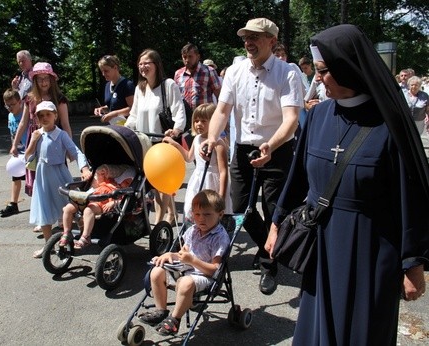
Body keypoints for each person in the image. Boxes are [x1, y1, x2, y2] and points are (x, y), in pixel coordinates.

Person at [264, 24, 429, 345]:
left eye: (325, 71)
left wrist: (413, 263)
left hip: (371, 248)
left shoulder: (389, 124)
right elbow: (297, 176)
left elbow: (410, 196)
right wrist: (275, 223)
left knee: (361, 332)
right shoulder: (317, 116)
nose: (318, 79)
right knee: (318, 330)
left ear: (348, 68)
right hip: (320, 245)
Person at [200, 18, 303, 295]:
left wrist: (270, 145)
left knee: (273, 211)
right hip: (244, 150)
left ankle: (269, 263)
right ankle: (266, 248)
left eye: (255, 37)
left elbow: (291, 119)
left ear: (271, 41)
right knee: (239, 211)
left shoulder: (288, 73)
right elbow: (222, 111)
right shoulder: (234, 71)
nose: (248, 41)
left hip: (277, 150)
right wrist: (212, 137)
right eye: (246, 37)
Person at [138, 189, 230, 336]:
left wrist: (193, 261)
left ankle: (174, 319)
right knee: (156, 271)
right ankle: (161, 310)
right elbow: (182, 254)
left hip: (204, 275)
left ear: (220, 214)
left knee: (186, 283)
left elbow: (214, 270)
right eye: (197, 214)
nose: (201, 219)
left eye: (207, 214)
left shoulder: (219, 237)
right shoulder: (193, 230)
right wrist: (169, 255)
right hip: (185, 269)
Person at [125, 49, 186, 225]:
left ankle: (159, 224)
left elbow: (179, 111)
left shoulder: (168, 85)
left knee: (161, 184)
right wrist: (126, 130)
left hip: (163, 141)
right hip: (144, 141)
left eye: (146, 63)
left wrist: (175, 130)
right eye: (140, 63)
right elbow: (134, 115)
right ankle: (172, 215)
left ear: (156, 65)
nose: (143, 67)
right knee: (155, 182)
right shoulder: (140, 88)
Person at [25, 101, 90, 258]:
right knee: (44, 209)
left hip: (60, 175)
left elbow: (76, 152)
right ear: (37, 119)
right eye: (41, 116)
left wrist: (84, 168)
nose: (45, 118)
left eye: (48, 114)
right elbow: (27, 156)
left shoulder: (61, 134)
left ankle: (84, 236)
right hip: (42, 177)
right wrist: (33, 141)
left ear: (55, 115)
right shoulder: (37, 135)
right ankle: (48, 246)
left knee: (72, 207)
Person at [11, 62, 76, 198]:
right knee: (37, 178)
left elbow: (65, 124)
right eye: (39, 79)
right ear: (34, 80)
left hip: (55, 141)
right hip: (35, 141)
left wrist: (70, 149)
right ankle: (43, 209)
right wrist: (15, 144)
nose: (43, 82)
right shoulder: (29, 99)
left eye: (46, 78)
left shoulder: (59, 99)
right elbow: (23, 122)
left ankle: (61, 211)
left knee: (57, 178)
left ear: (51, 80)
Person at [163, 103, 232, 222]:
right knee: (195, 209)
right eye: (196, 121)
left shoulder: (218, 144)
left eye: (204, 121)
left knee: (210, 211)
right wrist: (175, 144)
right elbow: (189, 157)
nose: (199, 124)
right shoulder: (197, 139)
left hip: (212, 182)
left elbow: (223, 171)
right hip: (198, 179)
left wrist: (221, 195)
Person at [59, 164, 135, 248]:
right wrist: (102, 170)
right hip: (88, 197)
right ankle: (67, 232)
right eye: (126, 181)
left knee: (88, 210)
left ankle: (86, 236)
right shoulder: (108, 181)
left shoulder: (122, 191)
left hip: (101, 203)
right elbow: (99, 176)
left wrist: (114, 203)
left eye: (129, 183)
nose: (126, 184)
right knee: (68, 208)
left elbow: (124, 201)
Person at [174, 43, 222, 118]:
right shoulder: (178, 74)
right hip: (185, 119)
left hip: (205, 118)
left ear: (198, 56)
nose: (187, 60)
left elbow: (220, 96)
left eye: (190, 57)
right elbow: (176, 98)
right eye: (184, 57)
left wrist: (220, 116)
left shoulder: (209, 71)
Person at [0, 89, 27, 217]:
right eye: (7, 105)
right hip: (18, 152)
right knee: (15, 176)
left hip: (28, 152)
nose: (9, 108)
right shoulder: (10, 115)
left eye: (12, 105)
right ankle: (13, 204)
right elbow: (12, 134)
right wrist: (13, 146)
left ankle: (38, 206)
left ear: (20, 102)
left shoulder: (25, 115)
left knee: (32, 180)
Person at [94, 55, 135, 125]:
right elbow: (113, 105)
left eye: (106, 71)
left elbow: (133, 108)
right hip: (115, 126)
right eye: (102, 71)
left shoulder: (127, 84)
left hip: (128, 126)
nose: (103, 74)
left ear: (115, 68)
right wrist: (102, 109)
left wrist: (114, 114)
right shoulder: (107, 85)